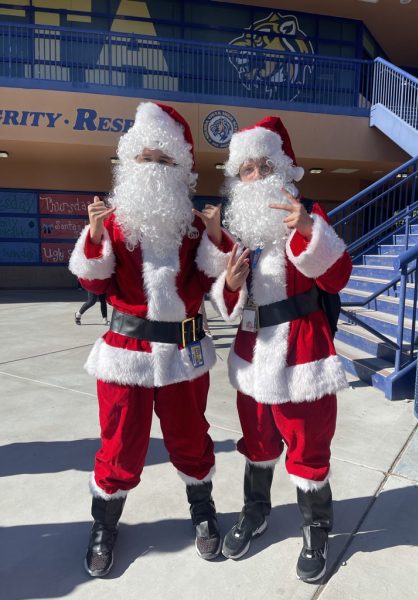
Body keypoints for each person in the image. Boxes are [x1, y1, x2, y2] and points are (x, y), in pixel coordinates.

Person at [68, 101, 233, 577]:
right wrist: (95, 238)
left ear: (181, 168)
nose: (156, 169)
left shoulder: (194, 227)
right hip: (127, 353)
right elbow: (95, 283)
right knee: (120, 443)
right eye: (147, 159)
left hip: (183, 353)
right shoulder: (113, 222)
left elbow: (208, 284)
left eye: (166, 161)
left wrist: (218, 240)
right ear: (130, 163)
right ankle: (105, 524)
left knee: (191, 438)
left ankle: (202, 511)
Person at [209, 116, 352, 582]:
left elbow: (336, 277)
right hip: (254, 350)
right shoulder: (243, 231)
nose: (253, 176)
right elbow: (229, 300)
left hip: (303, 351)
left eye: (262, 166)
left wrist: (309, 228)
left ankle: (316, 528)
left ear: (283, 168)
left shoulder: (309, 214)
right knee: (257, 440)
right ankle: (256, 511)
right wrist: (227, 286)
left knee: (309, 446)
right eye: (245, 169)